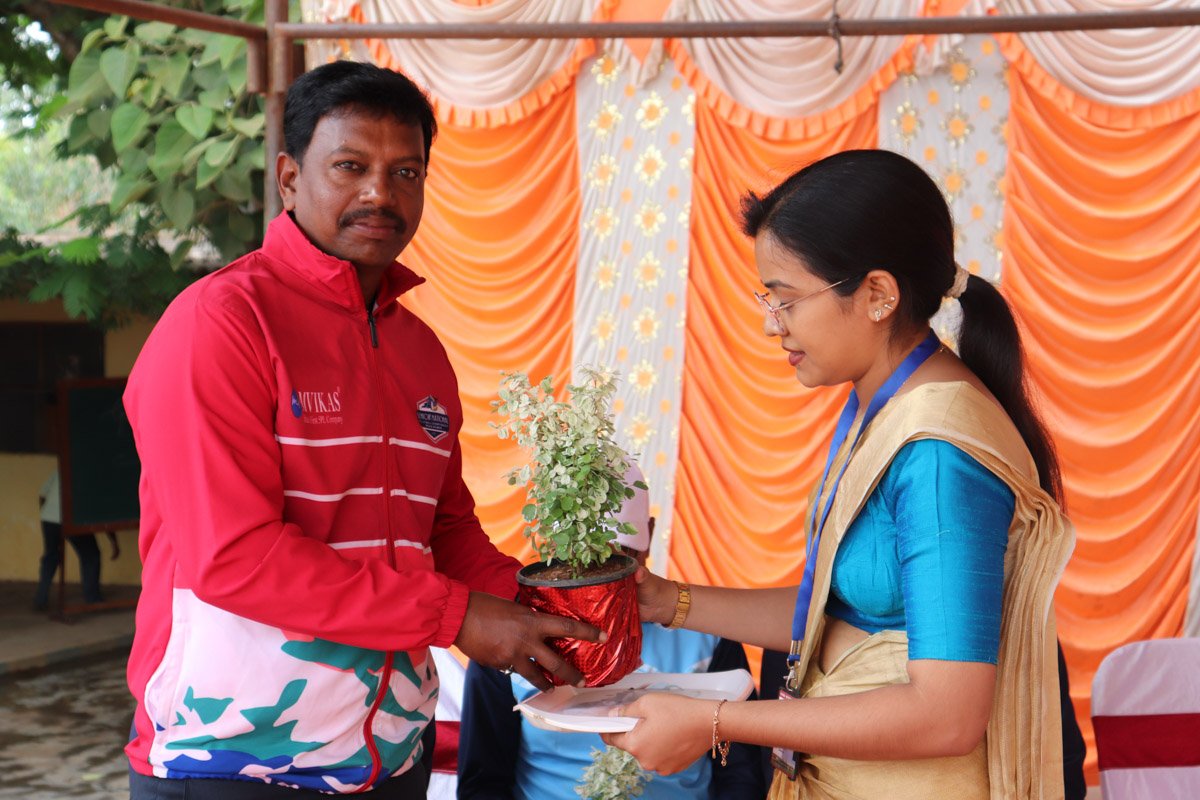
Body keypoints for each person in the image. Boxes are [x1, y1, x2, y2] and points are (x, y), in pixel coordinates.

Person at [122, 60, 602, 799]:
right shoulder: (221, 324)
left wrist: (551, 604)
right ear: (289, 178)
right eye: (351, 166)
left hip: (391, 759)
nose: (381, 193)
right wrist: (457, 615)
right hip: (231, 762)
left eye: (406, 172)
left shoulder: (419, 349)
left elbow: (443, 532)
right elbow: (235, 557)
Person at [599, 149, 1078, 799]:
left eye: (786, 300)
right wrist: (665, 601)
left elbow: (947, 714)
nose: (771, 325)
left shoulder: (939, 455)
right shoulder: (881, 408)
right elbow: (835, 615)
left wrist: (714, 721)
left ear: (878, 294)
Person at [457, 464, 766, 800]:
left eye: (616, 562)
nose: (599, 588)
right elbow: (482, 783)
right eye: (584, 565)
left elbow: (740, 773)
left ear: (648, 538)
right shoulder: (512, 639)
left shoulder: (708, 633)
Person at [34, 466, 102, 610]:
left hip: (49, 519)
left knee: (51, 556)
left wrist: (48, 514)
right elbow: (97, 507)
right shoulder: (91, 473)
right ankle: (92, 598)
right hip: (72, 519)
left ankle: (40, 598)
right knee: (91, 555)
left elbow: (43, 494)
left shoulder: (63, 467)